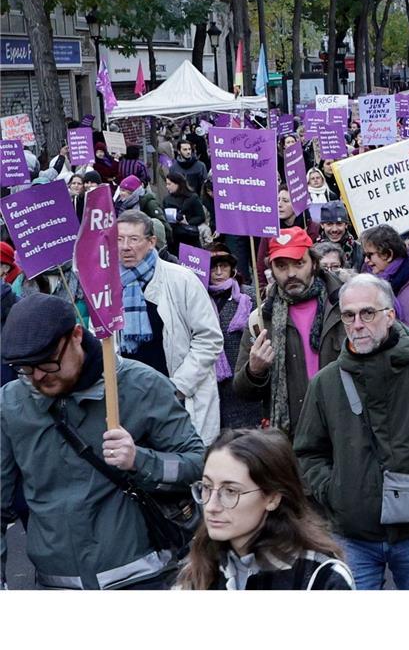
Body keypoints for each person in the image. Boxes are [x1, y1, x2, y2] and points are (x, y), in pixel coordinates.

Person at [1, 294, 205, 590]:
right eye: (25, 368)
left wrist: (140, 460)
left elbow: (197, 464)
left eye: (48, 363)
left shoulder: (141, 385)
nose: (37, 377)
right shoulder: (10, 403)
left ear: (76, 335)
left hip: (142, 577)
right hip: (56, 585)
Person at [293, 274, 409, 590]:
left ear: (390, 316)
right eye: (349, 315)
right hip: (352, 533)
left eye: (368, 313)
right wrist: (333, 489)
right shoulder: (325, 383)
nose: (357, 323)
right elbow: (308, 451)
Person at [177, 429, 354, 590]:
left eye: (230, 491)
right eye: (207, 487)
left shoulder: (320, 577)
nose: (211, 506)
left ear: (272, 498)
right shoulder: (199, 566)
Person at [117, 209, 224, 445]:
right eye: (119, 239)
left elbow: (209, 338)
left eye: (133, 239)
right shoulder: (109, 285)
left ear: (151, 241)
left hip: (177, 399)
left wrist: (179, 387)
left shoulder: (181, 279)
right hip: (130, 403)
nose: (125, 246)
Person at [234, 227, 346, 435]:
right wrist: (255, 371)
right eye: (281, 265)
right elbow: (242, 390)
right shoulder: (260, 319)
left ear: (314, 263)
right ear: (271, 269)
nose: (291, 273)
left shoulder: (346, 304)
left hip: (344, 426)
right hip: (293, 435)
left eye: (299, 263)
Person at [206, 244, 260, 429]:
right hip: (212, 378)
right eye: (213, 267)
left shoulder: (249, 296)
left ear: (232, 269)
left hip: (242, 375)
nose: (219, 272)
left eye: (224, 266)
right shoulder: (197, 296)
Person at [360, 223, 409, 338]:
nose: (366, 260)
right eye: (364, 255)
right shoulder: (365, 286)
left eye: (370, 255)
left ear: (388, 254)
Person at [163, 171, 207, 251]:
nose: (167, 187)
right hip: (174, 239)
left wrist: (188, 222)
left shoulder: (192, 198)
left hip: (189, 237)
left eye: (169, 184)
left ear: (178, 184)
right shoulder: (167, 200)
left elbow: (201, 216)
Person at [317, 201, 363, 271]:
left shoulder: (360, 251)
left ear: (346, 225)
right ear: (322, 225)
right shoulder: (314, 252)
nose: (334, 229)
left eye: (339, 224)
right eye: (329, 224)